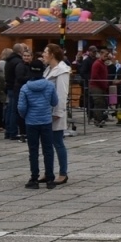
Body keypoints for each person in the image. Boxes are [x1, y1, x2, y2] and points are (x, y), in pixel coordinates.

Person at [17, 61, 57, 189]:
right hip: (46, 121)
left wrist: (26, 116)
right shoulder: (50, 86)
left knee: (33, 150)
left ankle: (34, 178)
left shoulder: (25, 88)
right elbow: (54, 102)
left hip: (31, 122)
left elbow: (21, 107)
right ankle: (50, 178)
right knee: (48, 150)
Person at [44, 43, 71, 186]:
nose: (43, 54)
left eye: (45, 52)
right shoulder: (48, 69)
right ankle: (48, 171)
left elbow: (62, 93)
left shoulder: (62, 70)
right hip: (45, 111)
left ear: (52, 54)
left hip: (55, 111)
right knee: (47, 143)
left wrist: (58, 111)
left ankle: (63, 173)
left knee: (58, 142)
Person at [3, 43, 27, 140]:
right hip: (14, 88)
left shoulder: (9, 60)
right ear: (20, 51)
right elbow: (19, 76)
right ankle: (13, 132)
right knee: (14, 110)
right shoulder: (18, 61)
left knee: (9, 110)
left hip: (9, 87)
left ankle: (8, 131)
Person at [86, 48, 109, 127]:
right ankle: (97, 120)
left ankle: (99, 119)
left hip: (100, 86)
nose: (106, 57)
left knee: (101, 103)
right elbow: (95, 76)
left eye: (107, 55)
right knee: (98, 103)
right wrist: (103, 83)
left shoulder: (103, 64)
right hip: (96, 86)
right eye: (105, 55)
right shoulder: (97, 64)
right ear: (101, 54)